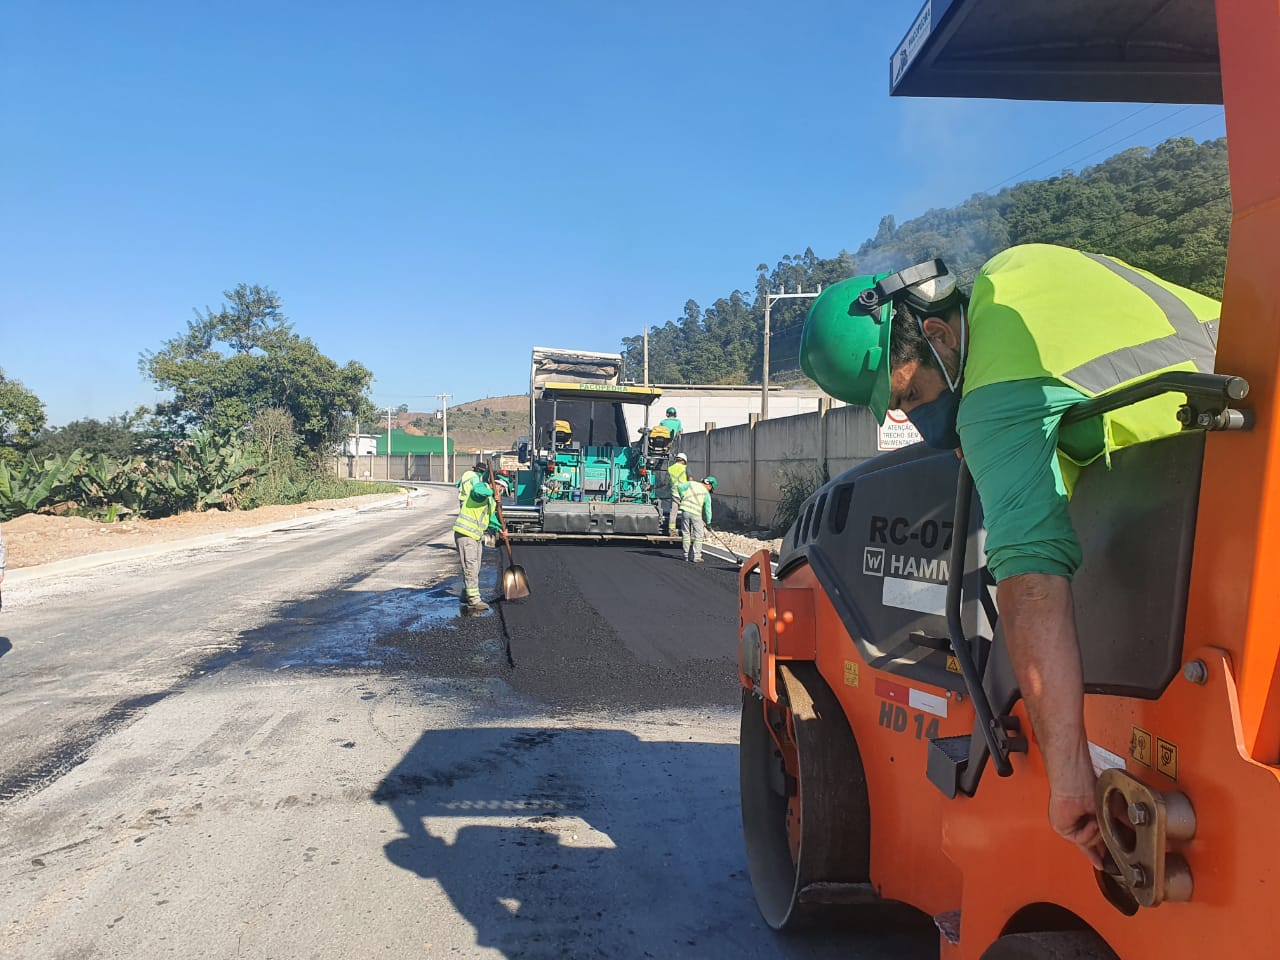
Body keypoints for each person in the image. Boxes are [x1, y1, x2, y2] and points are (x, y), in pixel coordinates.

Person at [800, 243, 1219, 869]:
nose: (899, 414)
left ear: (938, 334)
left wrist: (1071, 778)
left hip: (1209, 522)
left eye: (906, 395)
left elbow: (1031, 589)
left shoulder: (996, 398)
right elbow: (1080, 400)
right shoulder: (1022, 269)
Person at [453, 466, 505, 612]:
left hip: (475, 536)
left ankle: (466, 593)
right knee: (471, 566)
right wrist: (491, 491)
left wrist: (500, 529)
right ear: (497, 485)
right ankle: (474, 600)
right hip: (465, 534)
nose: (500, 491)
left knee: (475, 567)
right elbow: (477, 491)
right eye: (500, 488)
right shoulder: (481, 488)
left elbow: (490, 519)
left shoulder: (490, 500)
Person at [675, 475, 716, 562]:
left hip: (685, 511)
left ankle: (685, 555)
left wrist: (682, 496)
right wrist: (708, 523)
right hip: (696, 514)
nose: (710, 490)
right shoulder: (706, 494)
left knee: (686, 533)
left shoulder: (691, 484)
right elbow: (708, 510)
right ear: (709, 485)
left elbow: (679, 487)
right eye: (711, 488)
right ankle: (696, 556)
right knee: (698, 535)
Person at [666, 452, 689, 533]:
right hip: (684, 494)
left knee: (673, 512)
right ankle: (686, 529)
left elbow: (668, 482)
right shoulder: (685, 468)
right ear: (683, 461)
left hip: (674, 493)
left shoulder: (670, 468)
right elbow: (691, 480)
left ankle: (671, 530)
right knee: (686, 512)